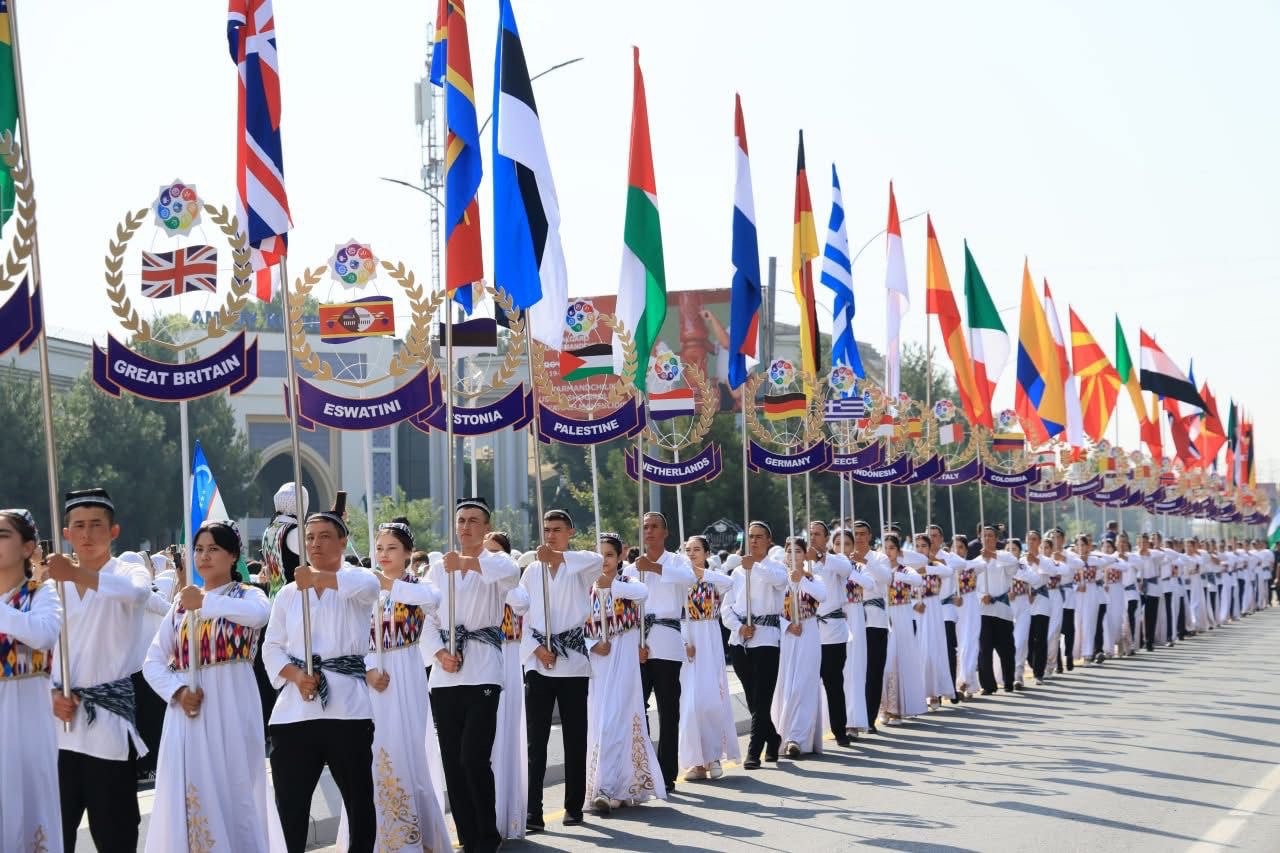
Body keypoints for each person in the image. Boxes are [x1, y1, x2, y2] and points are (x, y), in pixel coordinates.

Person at [142, 519, 272, 852]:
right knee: (191, 790)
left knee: (236, 788)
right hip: (188, 711)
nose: (204, 556)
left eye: (213, 549)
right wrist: (177, 691)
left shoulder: (249, 595)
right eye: (198, 549)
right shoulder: (179, 607)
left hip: (233, 706)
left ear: (233, 555)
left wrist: (204, 601)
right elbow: (152, 662)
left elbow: (258, 616)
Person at [261, 497, 381, 853]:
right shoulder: (288, 594)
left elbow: (369, 590)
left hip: (347, 710)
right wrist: (297, 676)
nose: (315, 544)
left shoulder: (357, 578)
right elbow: (271, 647)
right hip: (294, 712)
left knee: (359, 800)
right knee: (290, 804)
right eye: (310, 537)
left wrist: (317, 578)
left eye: (325, 536)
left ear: (343, 541)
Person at [47, 488, 152, 851]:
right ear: (66, 533)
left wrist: (76, 574)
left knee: (115, 835)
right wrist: (50, 694)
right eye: (78, 526)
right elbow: (38, 652)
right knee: (52, 835)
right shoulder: (50, 586)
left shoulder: (129, 571)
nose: (87, 534)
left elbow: (137, 594)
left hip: (107, 727)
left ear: (114, 531)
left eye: (96, 525)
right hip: (57, 730)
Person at [421, 497, 519, 853]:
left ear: (486, 527)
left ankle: (487, 834)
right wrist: (439, 653)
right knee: (453, 761)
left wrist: (466, 562)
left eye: (474, 520)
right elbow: (426, 616)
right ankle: (468, 835)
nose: (465, 526)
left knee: (473, 757)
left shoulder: (496, 562)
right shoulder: (437, 569)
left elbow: (511, 576)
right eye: (461, 520)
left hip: (483, 672)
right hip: (446, 674)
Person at [360, 518, 451, 853]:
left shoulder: (421, 587)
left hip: (407, 672)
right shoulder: (364, 589)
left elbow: (430, 601)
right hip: (370, 676)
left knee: (408, 749)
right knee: (371, 752)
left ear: (408, 553)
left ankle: (415, 837)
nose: (383, 554)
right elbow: (351, 638)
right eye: (379, 548)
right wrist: (368, 670)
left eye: (392, 548)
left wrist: (384, 583)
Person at [520, 510, 600, 831]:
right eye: (546, 530)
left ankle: (573, 806)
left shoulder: (579, 567)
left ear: (570, 532)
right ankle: (533, 811)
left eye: (557, 529)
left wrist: (557, 557)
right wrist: (537, 649)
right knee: (535, 742)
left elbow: (597, 560)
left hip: (573, 663)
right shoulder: (531, 571)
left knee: (575, 738)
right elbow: (520, 616)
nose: (550, 535)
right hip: (538, 661)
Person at [0, 508, 63, 852]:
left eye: (2, 535)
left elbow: (43, 634)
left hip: (27, 724)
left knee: (28, 813)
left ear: (27, 548)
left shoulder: (41, 595)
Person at [585, 533, 663, 812]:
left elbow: (642, 594)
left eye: (609, 555)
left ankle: (608, 789)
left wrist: (611, 585)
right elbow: (576, 625)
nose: (604, 560)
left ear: (620, 557)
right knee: (599, 722)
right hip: (598, 662)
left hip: (624, 659)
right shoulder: (585, 587)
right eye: (600, 555)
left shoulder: (629, 583)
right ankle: (608, 787)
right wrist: (593, 644)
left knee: (617, 721)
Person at [631, 512, 695, 792]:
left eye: (655, 526)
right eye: (645, 527)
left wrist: (655, 568)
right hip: (638, 644)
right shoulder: (632, 569)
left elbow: (689, 579)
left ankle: (667, 771)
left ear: (665, 532)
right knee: (637, 707)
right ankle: (644, 766)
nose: (649, 531)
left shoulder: (677, 561)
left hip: (667, 643)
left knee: (668, 710)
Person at [721, 521, 787, 767]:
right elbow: (726, 609)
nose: (755, 540)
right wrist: (739, 627)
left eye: (759, 536)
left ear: (769, 540)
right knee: (751, 696)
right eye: (751, 536)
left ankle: (754, 751)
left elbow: (779, 582)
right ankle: (772, 737)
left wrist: (755, 566)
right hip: (741, 639)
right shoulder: (737, 573)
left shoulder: (776, 567)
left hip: (766, 638)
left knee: (762, 697)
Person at [678, 535, 738, 779]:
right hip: (687, 639)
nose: (691, 553)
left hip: (709, 638)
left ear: (706, 553)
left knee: (711, 700)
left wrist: (701, 573)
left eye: (696, 549)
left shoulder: (714, 578)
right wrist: (684, 643)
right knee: (690, 704)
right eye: (688, 550)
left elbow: (730, 583)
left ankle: (713, 756)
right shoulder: (679, 580)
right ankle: (696, 762)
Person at [770, 536, 827, 757]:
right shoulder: (779, 580)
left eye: (798, 551)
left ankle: (798, 738)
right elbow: (771, 609)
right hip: (787, 634)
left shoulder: (814, 578)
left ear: (805, 555)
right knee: (787, 683)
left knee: (804, 683)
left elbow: (822, 596)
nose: (793, 555)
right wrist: (787, 625)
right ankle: (782, 735)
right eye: (789, 551)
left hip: (809, 630)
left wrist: (801, 579)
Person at [807, 522, 853, 745]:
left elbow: (846, 570)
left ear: (826, 538)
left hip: (833, 631)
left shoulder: (837, 559)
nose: (813, 537)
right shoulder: (802, 562)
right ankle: (807, 734)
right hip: (808, 631)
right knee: (807, 684)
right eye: (810, 534)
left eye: (817, 534)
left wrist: (819, 557)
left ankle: (839, 730)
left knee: (834, 683)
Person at [879, 533, 926, 722]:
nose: (888, 552)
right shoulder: (878, 569)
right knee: (886, 661)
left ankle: (899, 708)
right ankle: (886, 707)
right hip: (884, 616)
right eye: (885, 548)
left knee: (901, 660)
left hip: (903, 616)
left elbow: (918, 580)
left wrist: (895, 575)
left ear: (898, 551)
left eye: (892, 548)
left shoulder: (905, 570)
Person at [834, 526, 875, 738]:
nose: (842, 548)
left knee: (854, 668)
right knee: (835, 672)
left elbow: (870, 584)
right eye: (838, 544)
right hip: (833, 619)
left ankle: (853, 721)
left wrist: (849, 569)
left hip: (855, 617)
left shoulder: (858, 567)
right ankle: (835, 720)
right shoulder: (826, 566)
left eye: (847, 544)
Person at [968, 525, 1018, 695]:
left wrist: (993, 555)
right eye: (984, 536)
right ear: (980, 539)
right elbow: (970, 586)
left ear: (996, 539)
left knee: (1006, 649)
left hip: (1002, 610)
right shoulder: (976, 561)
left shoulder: (1004, 556)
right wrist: (981, 596)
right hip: (983, 610)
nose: (987, 538)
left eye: (990, 535)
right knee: (984, 649)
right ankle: (988, 685)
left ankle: (1009, 681)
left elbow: (1014, 565)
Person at [914, 532, 954, 707]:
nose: (920, 549)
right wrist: (914, 605)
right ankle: (919, 692)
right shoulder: (908, 566)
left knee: (933, 651)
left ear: (930, 548)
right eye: (917, 546)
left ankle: (934, 692)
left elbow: (948, 571)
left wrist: (928, 568)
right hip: (915, 610)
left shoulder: (936, 565)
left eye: (924, 546)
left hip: (933, 610)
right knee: (918, 651)